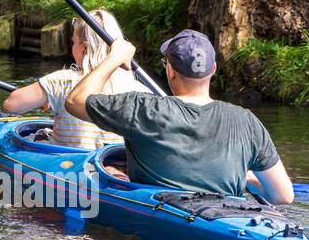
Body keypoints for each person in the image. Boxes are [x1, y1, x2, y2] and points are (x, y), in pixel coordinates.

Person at [64, 29, 294, 203]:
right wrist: (246, 179)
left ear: (170, 70)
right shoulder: (246, 121)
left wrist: (114, 57)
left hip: (161, 220)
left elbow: (75, 101)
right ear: (213, 69)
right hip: (229, 218)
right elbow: (283, 196)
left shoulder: (142, 108)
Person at [1, 10, 146, 149]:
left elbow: (11, 105)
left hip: (67, 167)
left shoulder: (63, 81)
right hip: (112, 166)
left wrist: (50, 95)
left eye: (73, 43)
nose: (72, 48)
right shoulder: (140, 91)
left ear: (84, 48)